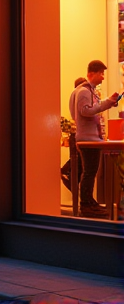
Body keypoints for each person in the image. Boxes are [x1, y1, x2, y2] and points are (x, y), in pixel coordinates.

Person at [69, 60, 119, 218]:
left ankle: (88, 202)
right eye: (101, 74)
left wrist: (109, 102)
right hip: (88, 140)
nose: (103, 77)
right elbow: (86, 111)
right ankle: (86, 204)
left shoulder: (82, 91)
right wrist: (106, 105)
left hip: (88, 139)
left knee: (89, 172)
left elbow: (83, 111)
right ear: (92, 73)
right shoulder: (84, 91)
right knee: (89, 172)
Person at [61, 77, 87, 193]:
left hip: (80, 134)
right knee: (80, 161)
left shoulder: (78, 99)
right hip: (80, 134)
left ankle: (66, 173)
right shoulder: (79, 99)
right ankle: (66, 173)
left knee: (80, 162)